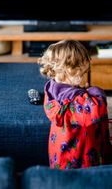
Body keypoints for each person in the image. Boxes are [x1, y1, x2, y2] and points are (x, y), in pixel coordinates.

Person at [38, 39, 112, 169]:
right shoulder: (74, 99)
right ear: (66, 69)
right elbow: (97, 109)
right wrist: (95, 91)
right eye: (81, 71)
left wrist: (82, 92)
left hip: (61, 154)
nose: (83, 76)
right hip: (81, 159)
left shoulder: (52, 88)